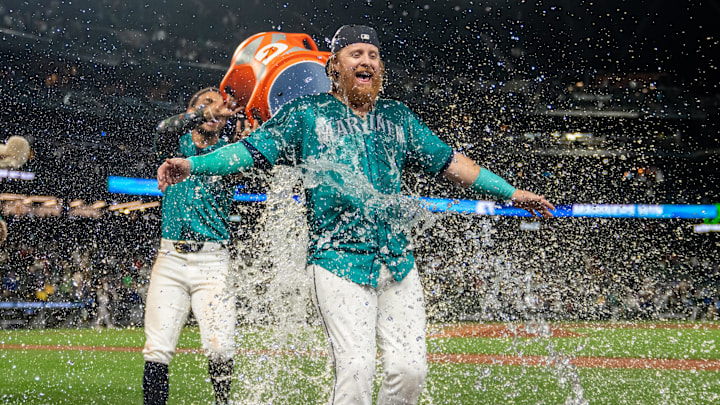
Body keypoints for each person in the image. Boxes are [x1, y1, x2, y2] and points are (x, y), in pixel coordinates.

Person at [157, 25, 555, 405]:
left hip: (397, 260)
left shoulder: (398, 118)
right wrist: (194, 166)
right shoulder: (305, 114)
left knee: (410, 371)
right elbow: (245, 153)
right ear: (333, 66)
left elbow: (453, 163)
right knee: (357, 367)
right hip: (336, 261)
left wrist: (511, 192)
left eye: (373, 55)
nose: (366, 61)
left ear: (380, 68)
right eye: (355, 54)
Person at [143, 87, 254, 405]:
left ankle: (222, 403)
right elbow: (163, 129)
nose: (215, 111)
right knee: (157, 349)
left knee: (220, 346)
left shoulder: (229, 154)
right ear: (191, 111)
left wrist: (249, 136)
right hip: (170, 258)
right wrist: (203, 112)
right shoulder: (173, 145)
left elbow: (259, 171)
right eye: (207, 105)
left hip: (213, 260)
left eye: (221, 108)